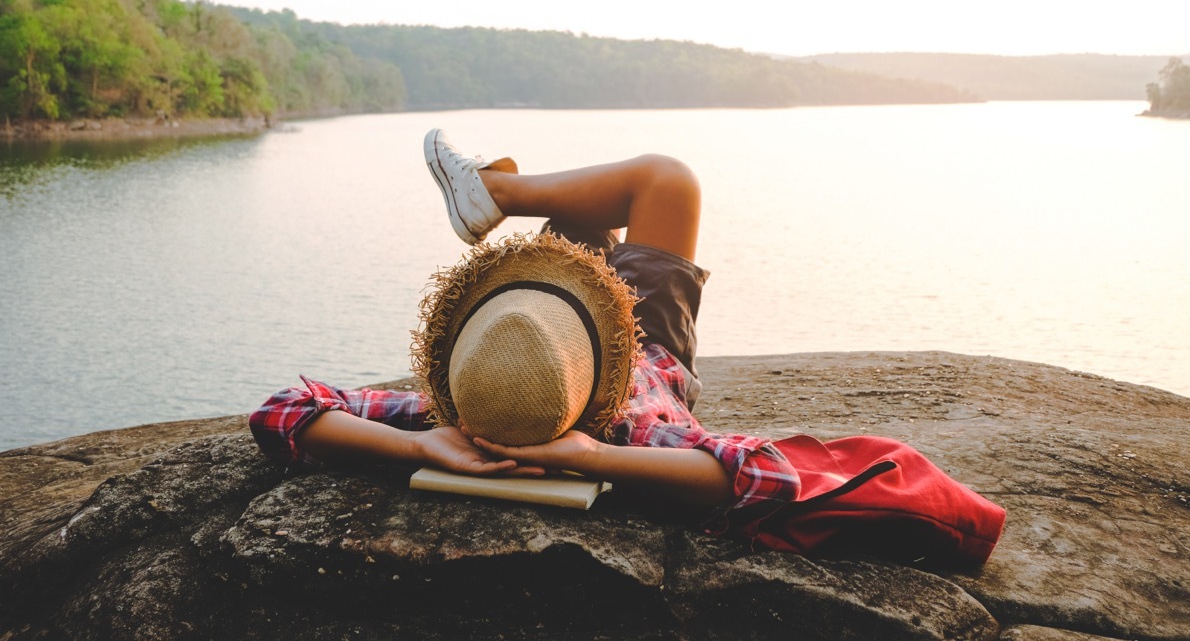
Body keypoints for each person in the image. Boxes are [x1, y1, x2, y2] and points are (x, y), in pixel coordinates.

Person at [250, 129, 1005, 565]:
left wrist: (423, 451)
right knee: (665, 180)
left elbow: (286, 411)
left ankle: (513, 206)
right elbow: (760, 481)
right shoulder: (643, 434)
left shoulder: (458, 409)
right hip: (652, 351)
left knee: (581, 233)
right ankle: (497, 193)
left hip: (554, 376)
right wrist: (597, 460)